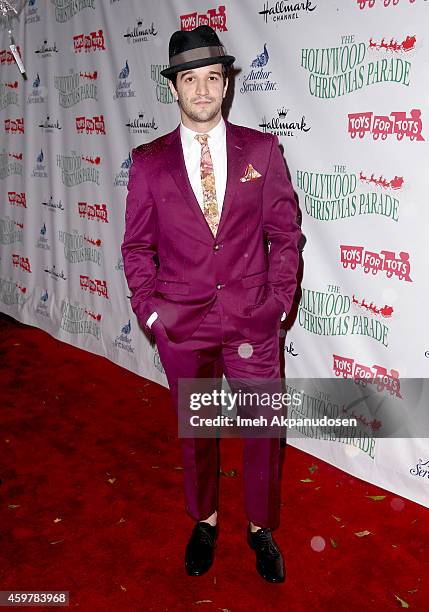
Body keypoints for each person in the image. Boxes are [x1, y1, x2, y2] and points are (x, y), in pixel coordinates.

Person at [121, 25, 301, 583]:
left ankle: (260, 528)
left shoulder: (263, 150)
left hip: (252, 319)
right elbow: (136, 247)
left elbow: (285, 236)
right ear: (174, 87)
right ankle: (205, 520)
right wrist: (153, 314)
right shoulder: (150, 162)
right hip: (184, 326)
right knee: (196, 433)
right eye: (190, 79)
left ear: (226, 85)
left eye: (213, 78)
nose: (203, 90)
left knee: (263, 431)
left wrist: (276, 304)